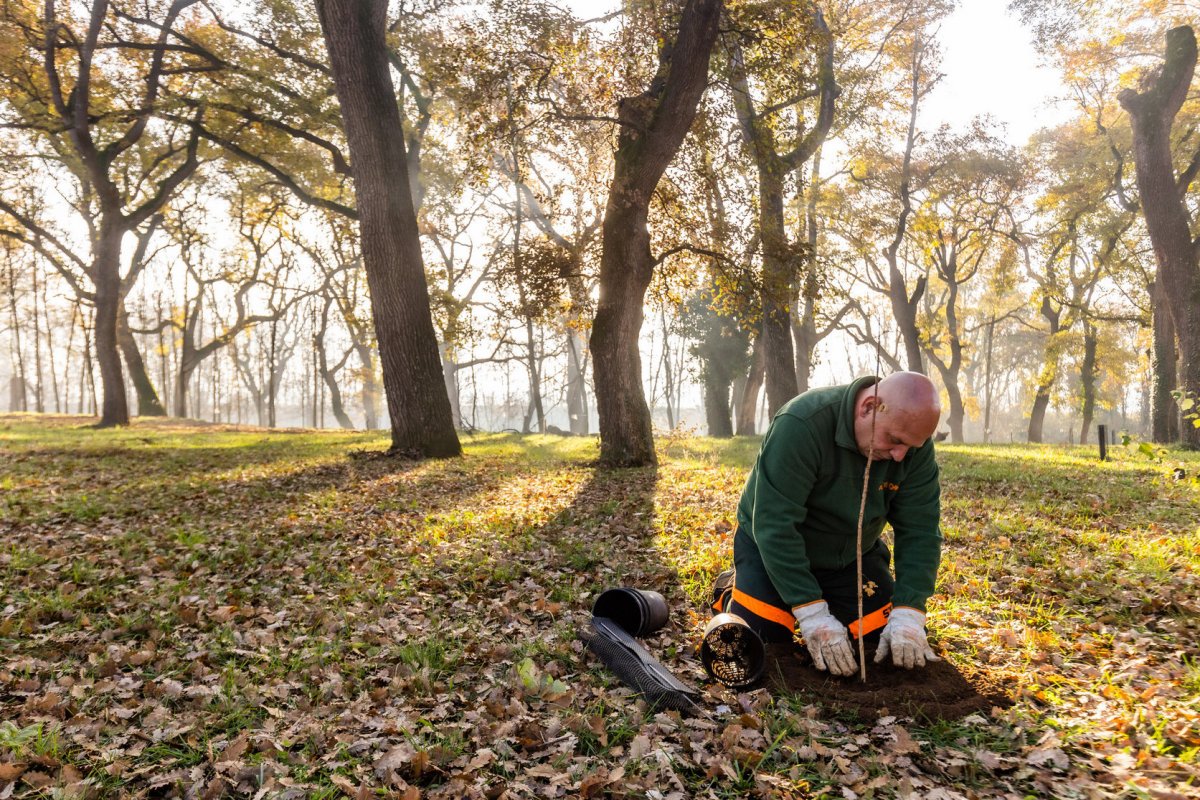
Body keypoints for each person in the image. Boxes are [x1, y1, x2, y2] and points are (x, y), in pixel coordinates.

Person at [711, 372, 943, 676]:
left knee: (880, 640)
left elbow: (921, 530)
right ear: (869, 407)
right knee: (762, 642)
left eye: (911, 447)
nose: (900, 455)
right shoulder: (801, 423)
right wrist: (812, 613)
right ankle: (731, 590)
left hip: (851, 557)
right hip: (772, 551)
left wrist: (909, 611)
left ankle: (833, 601)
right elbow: (774, 525)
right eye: (895, 440)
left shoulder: (911, 447)